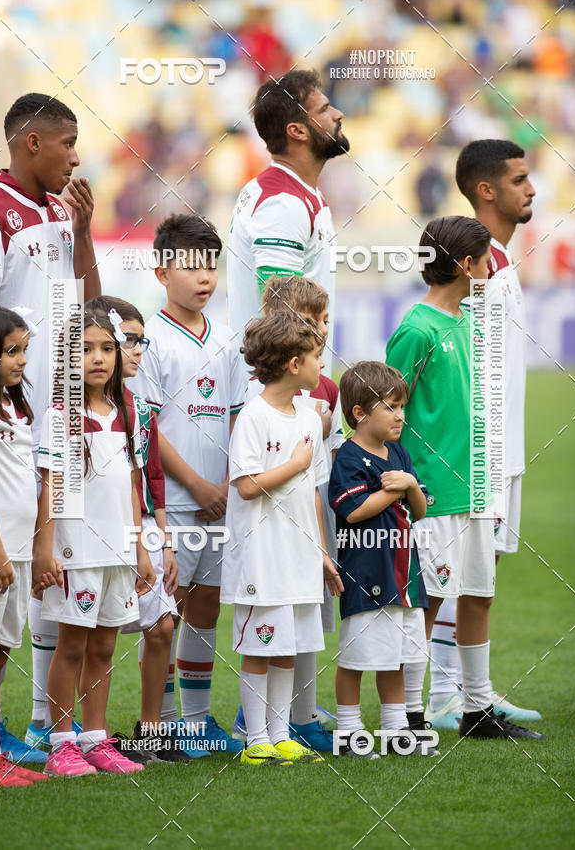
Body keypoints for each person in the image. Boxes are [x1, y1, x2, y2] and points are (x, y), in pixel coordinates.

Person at [385, 215, 545, 740]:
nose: (490, 269)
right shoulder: (416, 328)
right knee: (426, 601)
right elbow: (387, 408)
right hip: (432, 492)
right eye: (483, 261)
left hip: (479, 484)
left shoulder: (473, 321)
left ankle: (477, 709)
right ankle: (409, 715)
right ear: (463, 265)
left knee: (478, 592)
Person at [0, 92, 100, 760]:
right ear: (31, 143)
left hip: (65, 420)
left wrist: (83, 233)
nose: (76, 157)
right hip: (10, 431)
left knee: (56, 570)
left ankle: (36, 727)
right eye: (67, 142)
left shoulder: (62, 211)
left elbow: (91, 303)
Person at [425, 141, 540, 728]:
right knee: (454, 574)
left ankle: (466, 694)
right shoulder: (474, 263)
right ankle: (442, 697)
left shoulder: (498, 259)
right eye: (519, 180)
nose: (532, 189)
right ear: (487, 190)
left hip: (501, 450)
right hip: (477, 452)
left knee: (478, 576)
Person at [127, 214, 246, 754]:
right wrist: (198, 486)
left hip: (222, 502)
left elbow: (240, 417)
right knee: (165, 618)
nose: (204, 277)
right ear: (161, 271)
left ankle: (196, 722)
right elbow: (147, 426)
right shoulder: (147, 340)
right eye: (191, 265)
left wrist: (223, 484)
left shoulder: (228, 341)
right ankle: (166, 722)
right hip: (172, 505)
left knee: (206, 609)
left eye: (211, 266)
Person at [32, 302, 156, 777]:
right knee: (72, 645)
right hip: (74, 550)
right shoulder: (60, 415)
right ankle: (61, 744)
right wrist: (45, 549)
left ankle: (96, 740)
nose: (99, 358)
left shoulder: (131, 411)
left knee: (104, 647)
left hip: (118, 550)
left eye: (108, 348)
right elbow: (51, 486)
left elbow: (131, 486)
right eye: (85, 350)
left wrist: (141, 548)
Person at [221, 310, 344, 765]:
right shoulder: (253, 417)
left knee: (288, 647)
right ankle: (256, 741)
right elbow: (248, 485)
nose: (321, 365)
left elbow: (312, 491)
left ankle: (280, 734)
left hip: (299, 555)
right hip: (260, 556)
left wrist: (321, 553)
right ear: (294, 364)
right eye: (316, 356)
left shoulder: (311, 419)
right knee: (260, 647)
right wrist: (293, 463)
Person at [88, 295, 190, 765]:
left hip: (144, 526)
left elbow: (151, 481)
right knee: (89, 635)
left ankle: (150, 730)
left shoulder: (142, 408)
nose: (134, 350)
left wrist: (163, 543)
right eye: (126, 340)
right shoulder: (79, 407)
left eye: (139, 341)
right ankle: (87, 735)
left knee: (163, 625)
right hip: (99, 526)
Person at [329, 361, 431, 757]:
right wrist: (396, 491)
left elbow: (419, 510)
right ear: (359, 413)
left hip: (405, 575)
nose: (400, 415)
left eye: (402, 406)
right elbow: (353, 511)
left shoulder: (400, 453)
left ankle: (395, 732)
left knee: (397, 657)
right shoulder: (349, 457)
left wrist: (409, 486)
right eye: (391, 407)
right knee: (356, 658)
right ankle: (350, 734)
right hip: (366, 573)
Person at [226, 68, 349, 375]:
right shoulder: (283, 203)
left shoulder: (292, 193)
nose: (338, 114)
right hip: (286, 396)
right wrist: (311, 397)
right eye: (324, 109)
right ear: (298, 131)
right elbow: (281, 316)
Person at [0, 306, 47, 786]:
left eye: (25, 350)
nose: (22, 361)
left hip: (18, 553)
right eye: (11, 351)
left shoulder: (16, 406)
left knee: (0, 653)